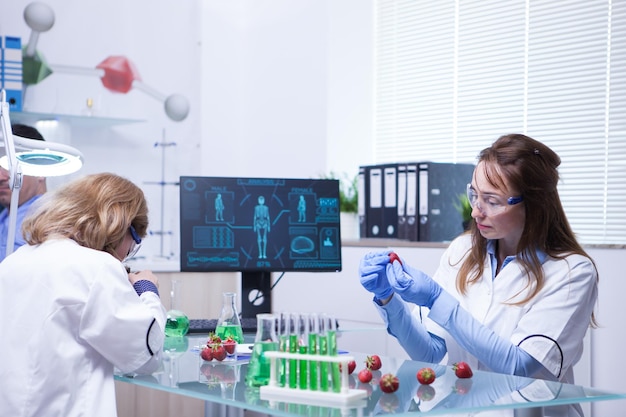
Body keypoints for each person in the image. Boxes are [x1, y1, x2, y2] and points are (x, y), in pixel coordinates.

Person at [359, 134, 598, 417]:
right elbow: (431, 354)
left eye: (492, 201)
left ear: (535, 205)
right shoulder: (462, 250)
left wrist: (437, 300)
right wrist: (388, 298)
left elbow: (521, 367)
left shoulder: (571, 272)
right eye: (474, 194)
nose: (475, 211)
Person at [0, 172, 166, 417]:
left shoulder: (15, 261)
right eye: (136, 239)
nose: (129, 251)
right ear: (122, 225)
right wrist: (147, 290)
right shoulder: (95, 267)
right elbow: (146, 355)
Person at [0, 124, 48, 260]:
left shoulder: (46, 222)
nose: (1, 176)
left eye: (10, 165)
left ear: (41, 169)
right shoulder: (7, 217)